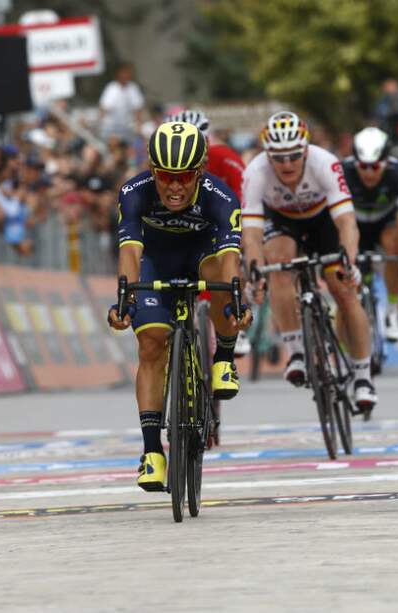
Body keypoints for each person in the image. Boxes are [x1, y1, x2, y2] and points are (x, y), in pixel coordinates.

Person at [107, 121, 252, 491]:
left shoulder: (220, 197)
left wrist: (236, 300)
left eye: (185, 176)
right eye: (165, 176)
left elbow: (231, 258)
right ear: (152, 170)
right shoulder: (133, 192)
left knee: (219, 273)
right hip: (155, 261)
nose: (174, 186)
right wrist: (124, 298)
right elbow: (130, 252)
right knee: (151, 343)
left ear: (200, 171)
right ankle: (153, 452)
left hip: (202, 255)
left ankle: (223, 357)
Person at [241, 111, 377, 413]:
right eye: (279, 157)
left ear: (304, 150)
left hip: (323, 222)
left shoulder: (324, 163)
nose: (287, 163)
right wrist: (254, 271)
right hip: (282, 222)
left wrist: (349, 262)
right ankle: (297, 352)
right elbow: (250, 234)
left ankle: (363, 377)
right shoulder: (255, 172)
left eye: (293, 156)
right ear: (268, 155)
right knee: (278, 264)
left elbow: (347, 224)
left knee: (342, 288)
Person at [166, 108, 252, 354]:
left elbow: (245, 196)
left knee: (233, 258)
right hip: (186, 224)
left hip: (222, 220)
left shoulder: (224, 156)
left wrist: (243, 235)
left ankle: (236, 316)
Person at [343, 126, 398, 342]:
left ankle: (392, 312)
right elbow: (335, 220)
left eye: (375, 166)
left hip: (386, 224)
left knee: (396, 248)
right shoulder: (342, 172)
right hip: (355, 224)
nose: (369, 173)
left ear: (385, 162)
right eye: (363, 166)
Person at [98, 63, 145, 143]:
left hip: (128, 128)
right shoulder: (111, 88)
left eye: (127, 73)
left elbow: (138, 109)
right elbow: (104, 108)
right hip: (111, 129)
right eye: (123, 73)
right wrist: (99, 123)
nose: (125, 75)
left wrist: (139, 126)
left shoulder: (133, 88)